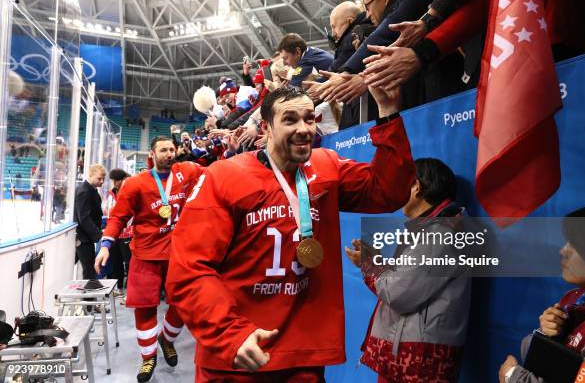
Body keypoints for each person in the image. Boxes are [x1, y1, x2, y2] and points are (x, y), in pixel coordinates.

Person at [166, 84, 415, 381]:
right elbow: (189, 269)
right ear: (265, 127)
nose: (304, 128)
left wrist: (387, 113)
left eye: (309, 118)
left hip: (303, 355)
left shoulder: (326, 166)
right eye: (290, 119)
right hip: (237, 356)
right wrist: (229, 334)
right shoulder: (224, 176)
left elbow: (389, 191)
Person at [346, 158, 470, 382]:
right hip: (411, 361)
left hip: (418, 366)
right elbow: (403, 284)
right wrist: (373, 261)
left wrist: (369, 264)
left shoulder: (440, 234)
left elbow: (397, 293)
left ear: (417, 187)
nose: (397, 190)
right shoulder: (434, 231)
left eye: (403, 183)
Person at [93, 137, 206, 383]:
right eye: (163, 150)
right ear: (152, 155)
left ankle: (166, 339)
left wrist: (230, 148)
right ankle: (148, 358)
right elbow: (117, 217)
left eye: (172, 149)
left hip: (180, 253)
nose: (169, 153)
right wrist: (105, 245)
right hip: (146, 254)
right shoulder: (135, 184)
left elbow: (217, 174)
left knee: (184, 303)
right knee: (144, 307)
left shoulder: (188, 172)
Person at [499, 202, 585, 382]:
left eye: (576, 244)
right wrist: (549, 335)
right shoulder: (574, 299)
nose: (563, 250)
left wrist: (512, 376)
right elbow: (531, 352)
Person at [104, 169, 133, 296]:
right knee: (116, 262)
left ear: (123, 179)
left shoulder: (130, 191)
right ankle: (119, 288)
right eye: (113, 181)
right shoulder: (111, 193)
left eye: (117, 181)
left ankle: (131, 292)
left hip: (128, 233)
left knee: (129, 263)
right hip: (114, 233)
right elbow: (107, 210)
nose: (115, 183)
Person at [74, 164, 106, 280]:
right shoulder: (84, 191)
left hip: (86, 237)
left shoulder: (92, 190)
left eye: (103, 178)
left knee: (88, 268)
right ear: (91, 175)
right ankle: (88, 297)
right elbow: (84, 218)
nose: (102, 181)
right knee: (89, 269)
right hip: (83, 238)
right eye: (99, 178)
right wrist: (99, 235)